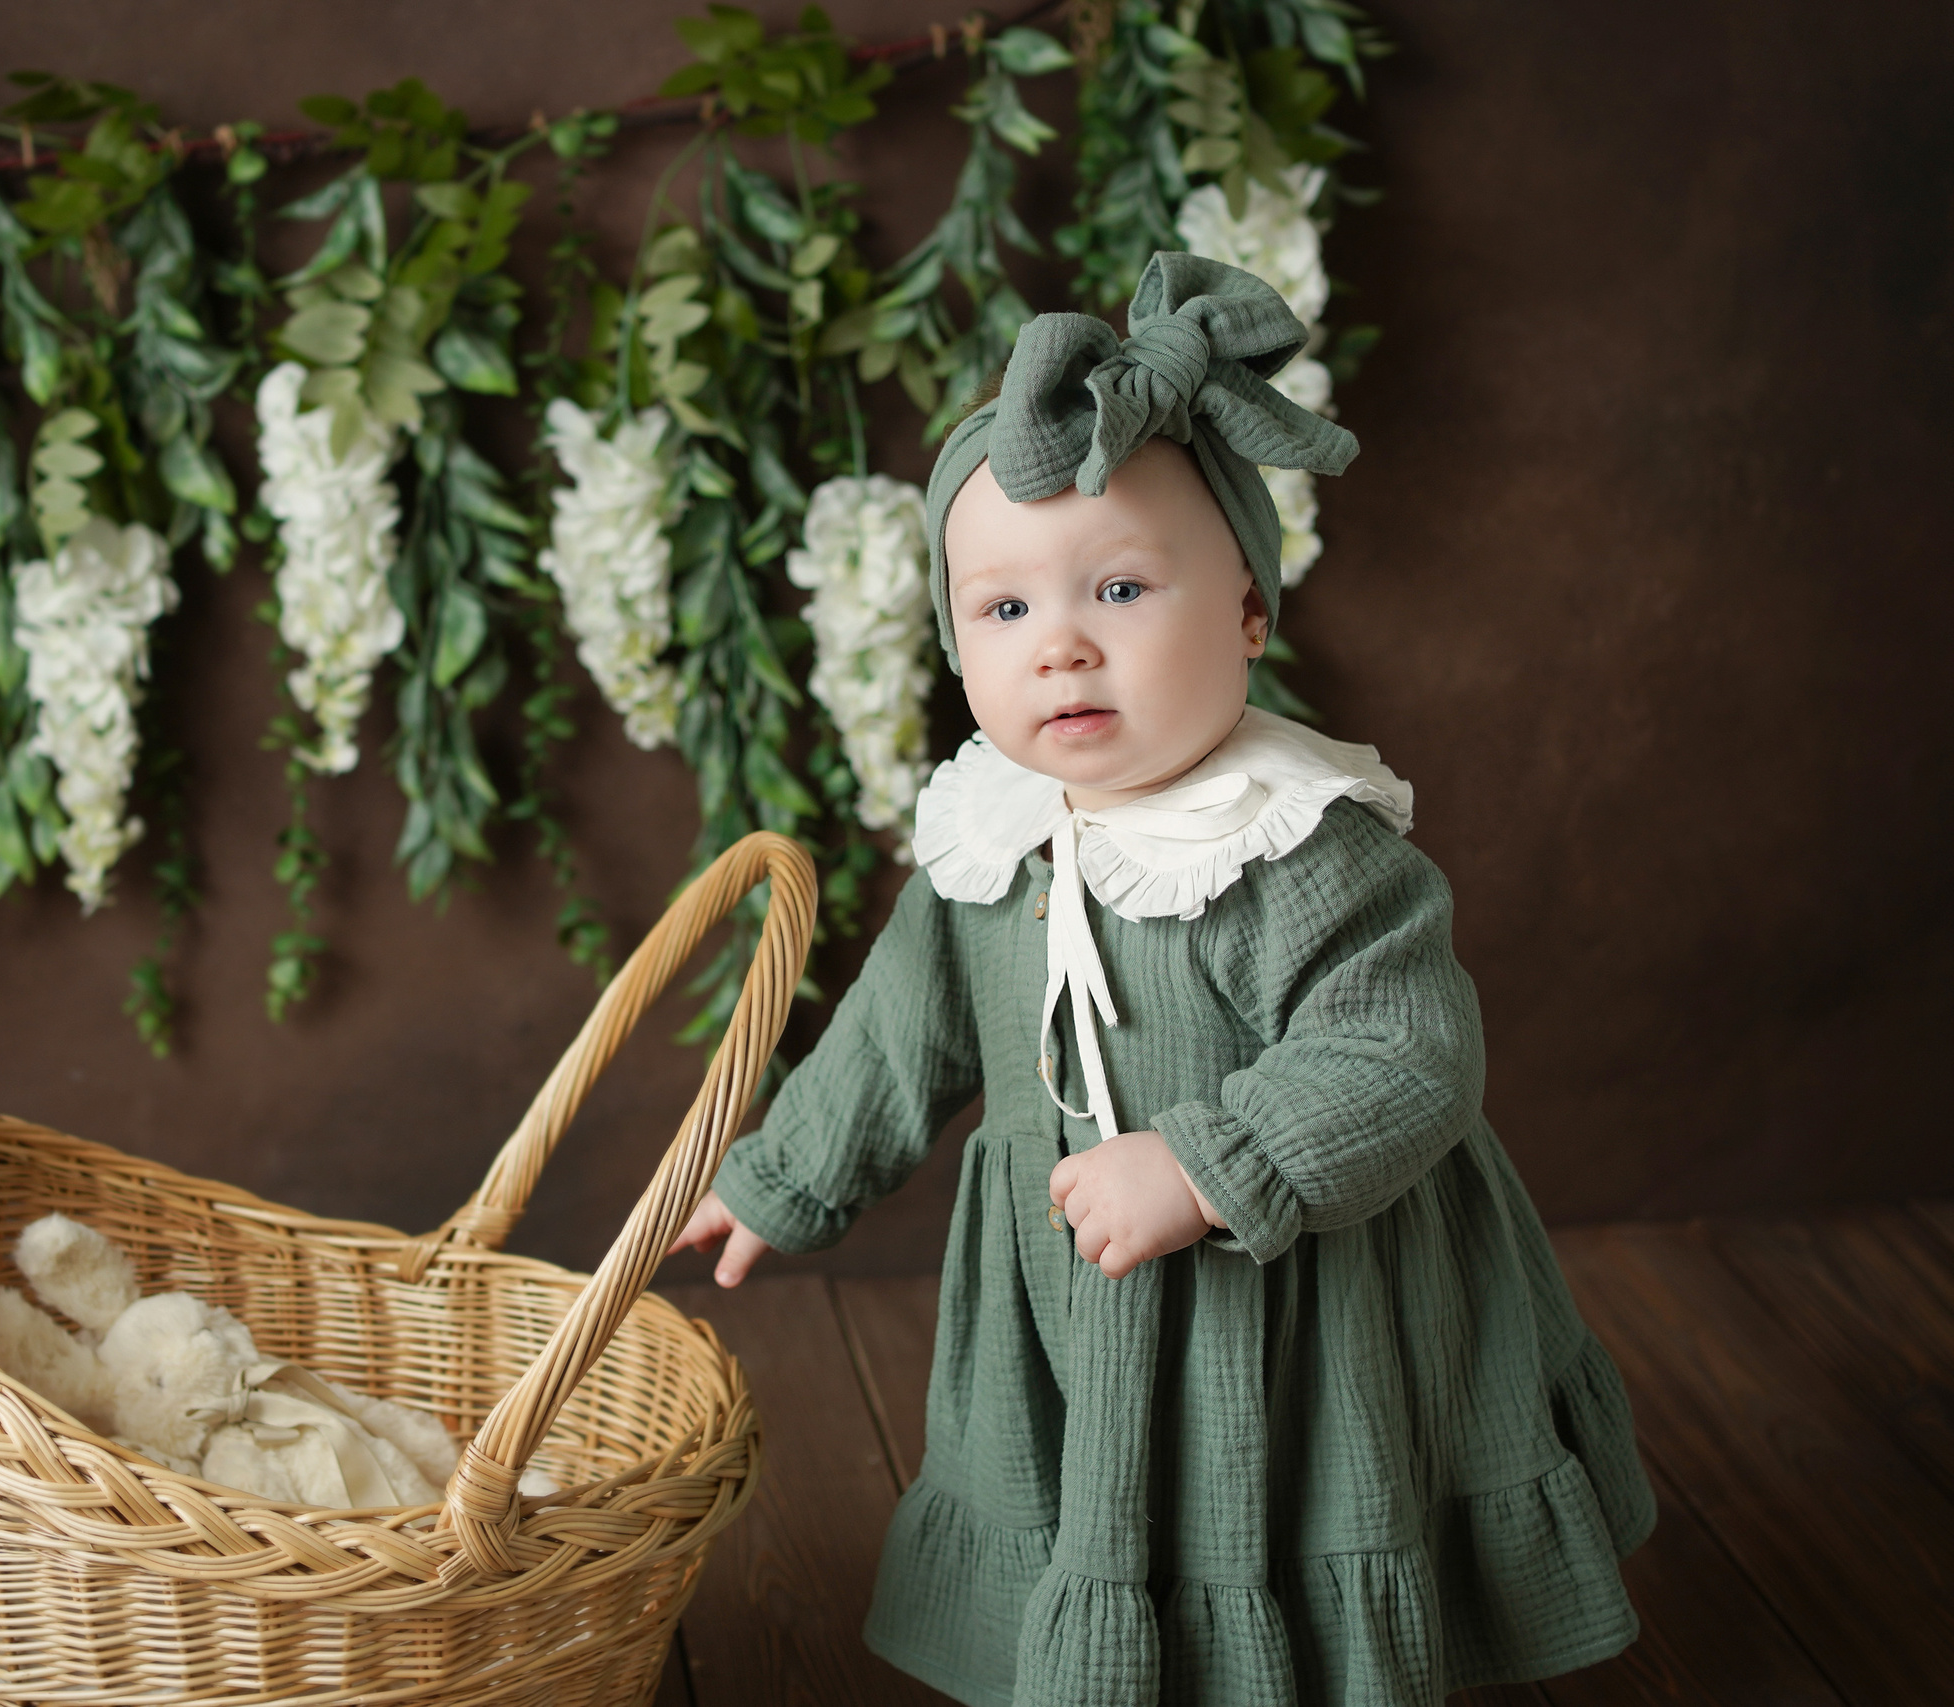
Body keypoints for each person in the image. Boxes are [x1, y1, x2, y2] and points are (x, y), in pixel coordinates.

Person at [670, 253, 1653, 1707]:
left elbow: (1406, 1052)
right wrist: (783, 1177)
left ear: (1250, 612)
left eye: (1120, 588)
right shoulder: (991, 840)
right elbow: (899, 1033)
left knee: (1280, 1514)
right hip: (1070, 1298)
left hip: (1297, 1289)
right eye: (1001, 613)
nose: (1060, 643)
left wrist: (1209, 1164)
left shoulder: (1297, 845)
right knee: (1103, 1522)